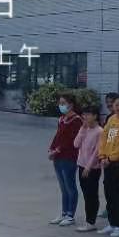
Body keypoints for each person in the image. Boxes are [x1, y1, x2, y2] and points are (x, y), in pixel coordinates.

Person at [98, 95, 119, 237]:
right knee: (109, 193)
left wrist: (111, 158)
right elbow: (105, 138)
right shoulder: (112, 119)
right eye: (116, 105)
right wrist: (102, 156)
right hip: (107, 162)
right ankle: (112, 222)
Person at [47, 93, 82, 226]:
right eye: (60, 103)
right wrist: (51, 149)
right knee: (63, 187)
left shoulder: (76, 120)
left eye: (63, 103)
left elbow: (71, 140)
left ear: (71, 105)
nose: (61, 105)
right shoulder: (61, 119)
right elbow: (58, 136)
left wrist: (57, 150)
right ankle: (63, 212)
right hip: (58, 157)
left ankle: (70, 214)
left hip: (69, 157)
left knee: (70, 186)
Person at [73, 105, 104, 231]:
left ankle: (91, 221)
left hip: (92, 168)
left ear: (95, 116)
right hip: (81, 164)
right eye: (84, 115)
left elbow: (97, 151)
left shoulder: (99, 131)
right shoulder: (85, 129)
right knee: (86, 194)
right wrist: (82, 130)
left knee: (91, 194)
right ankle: (88, 220)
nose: (84, 117)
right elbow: (76, 144)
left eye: (87, 115)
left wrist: (88, 167)